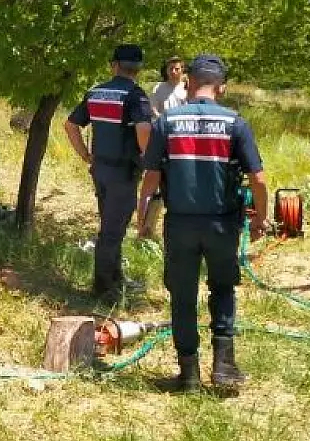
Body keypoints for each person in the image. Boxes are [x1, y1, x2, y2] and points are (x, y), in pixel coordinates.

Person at [136, 54, 267, 392]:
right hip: (223, 225)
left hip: (180, 225)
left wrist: (142, 217)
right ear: (221, 87)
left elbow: (151, 176)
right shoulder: (236, 123)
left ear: (189, 83)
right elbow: (259, 179)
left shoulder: (167, 122)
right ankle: (224, 366)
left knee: (182, 295)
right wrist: (261, 219)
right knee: (222, 288)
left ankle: (189, 375)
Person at [63, 44, 153, 303]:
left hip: (100, 169)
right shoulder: (136, 96)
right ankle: (103, 290)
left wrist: (86, 156)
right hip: (123, 173)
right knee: (112, 232)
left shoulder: (95, 93)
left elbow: (70, 125)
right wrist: (150, 162)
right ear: (138, 69)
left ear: (114, 65)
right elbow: (144, 129)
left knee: (111, 226)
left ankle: (115, 278)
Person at [141, 56, 188, 239]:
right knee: (155, 182)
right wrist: (163, 120)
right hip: (163, 135)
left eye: (177, 68)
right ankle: (147, 228)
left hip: (183, 139)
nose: (174, 72)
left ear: (182, 70)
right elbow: (152, 109)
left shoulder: (187, 88)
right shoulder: (159, 88)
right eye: (171, 69)